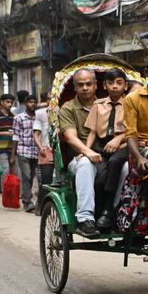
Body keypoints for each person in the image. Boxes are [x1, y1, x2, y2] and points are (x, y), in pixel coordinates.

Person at [55, 69, 103, 234]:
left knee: (125, 167)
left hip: (105, 157)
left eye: (89, 84)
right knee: (85, 164)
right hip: (78, 160)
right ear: (75, 87)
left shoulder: (105, 105)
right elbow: (70, 137)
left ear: (96, 86)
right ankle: (85, 218)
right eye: (80, 85)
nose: (85, 88)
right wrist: (88, 152)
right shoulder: (68, 108)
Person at [86, 69, 131, 232]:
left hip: (124, 145)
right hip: (102, 146)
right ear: (104, 85)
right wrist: (86, 150)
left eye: (119, 83)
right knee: (99, 179)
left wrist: (119, 139)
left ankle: (108, 211)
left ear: (125, 86)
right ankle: (99, 216)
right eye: (111, 83)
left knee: (115, 161)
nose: (115, 87)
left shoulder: (131, 104)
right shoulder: (98, 105)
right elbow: (92, 132)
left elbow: (135, 130)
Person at [13, 91, 40, 213]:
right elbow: (15, 136)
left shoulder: (39, 117)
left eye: (35, 102)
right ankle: (27, 202)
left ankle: (27, 197)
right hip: (23, 150)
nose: (33, 104)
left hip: (36, 151)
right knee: (27, 175)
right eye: (30, 102)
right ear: (25, 103)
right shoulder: (19, 118)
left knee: (32, 177)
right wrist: (13, 154)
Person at [0, 92, 16, 185]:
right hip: (0, 148)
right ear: (2, 102)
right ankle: (5, 193)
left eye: (11, 102)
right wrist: (4, 133)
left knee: (13, 172)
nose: (9, 104)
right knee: (5, 170)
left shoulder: (13, 117)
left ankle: (10, 191)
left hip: (12, 147)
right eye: (7, 102)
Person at [33, 95, 53, 214]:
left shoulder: (64, 111)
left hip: (61, 149)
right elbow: (36, 134)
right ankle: (40, 205)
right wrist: (40, 147)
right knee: (46, 178)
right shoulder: (40, 113)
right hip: (46, 149)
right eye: (50, 98)